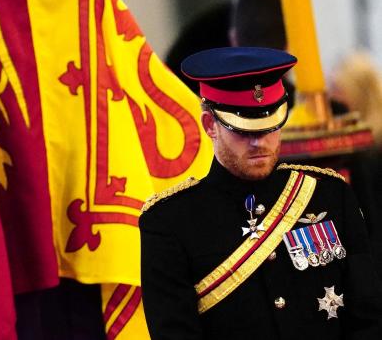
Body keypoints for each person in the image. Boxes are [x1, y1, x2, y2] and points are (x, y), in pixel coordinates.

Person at [139, 46, 382, 339]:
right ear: (209, 125)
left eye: (268, 127)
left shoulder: (330, 196)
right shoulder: (169, 223)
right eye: (244, 130)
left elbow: (367, 320)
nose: (259, 143)